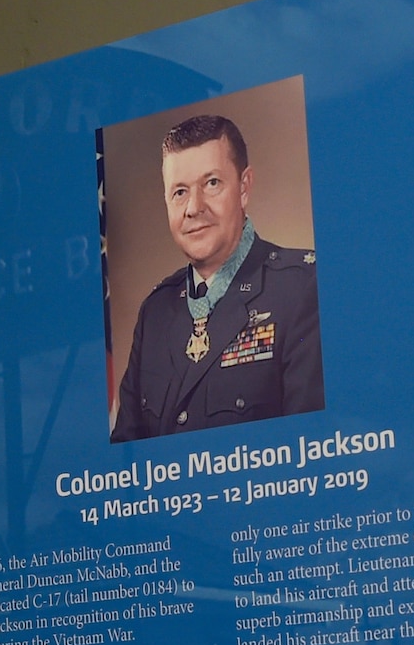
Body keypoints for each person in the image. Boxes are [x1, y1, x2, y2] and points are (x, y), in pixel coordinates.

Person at [109, 113, 323, 441]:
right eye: (179, 192)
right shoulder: (154, 313)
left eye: (211, 183)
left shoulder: (302, 289)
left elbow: (311, 450)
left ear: (244, 187)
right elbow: (125, 464)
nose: (194, 207)